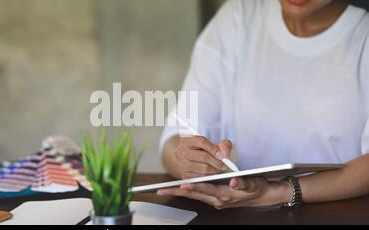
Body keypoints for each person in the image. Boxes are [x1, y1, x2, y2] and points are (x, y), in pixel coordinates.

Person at [158, 0, 369, 208]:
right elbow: (175, 140)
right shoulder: (238, 18)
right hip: (246, 215)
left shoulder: (362, 36)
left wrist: (281, 191)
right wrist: (192, 163)